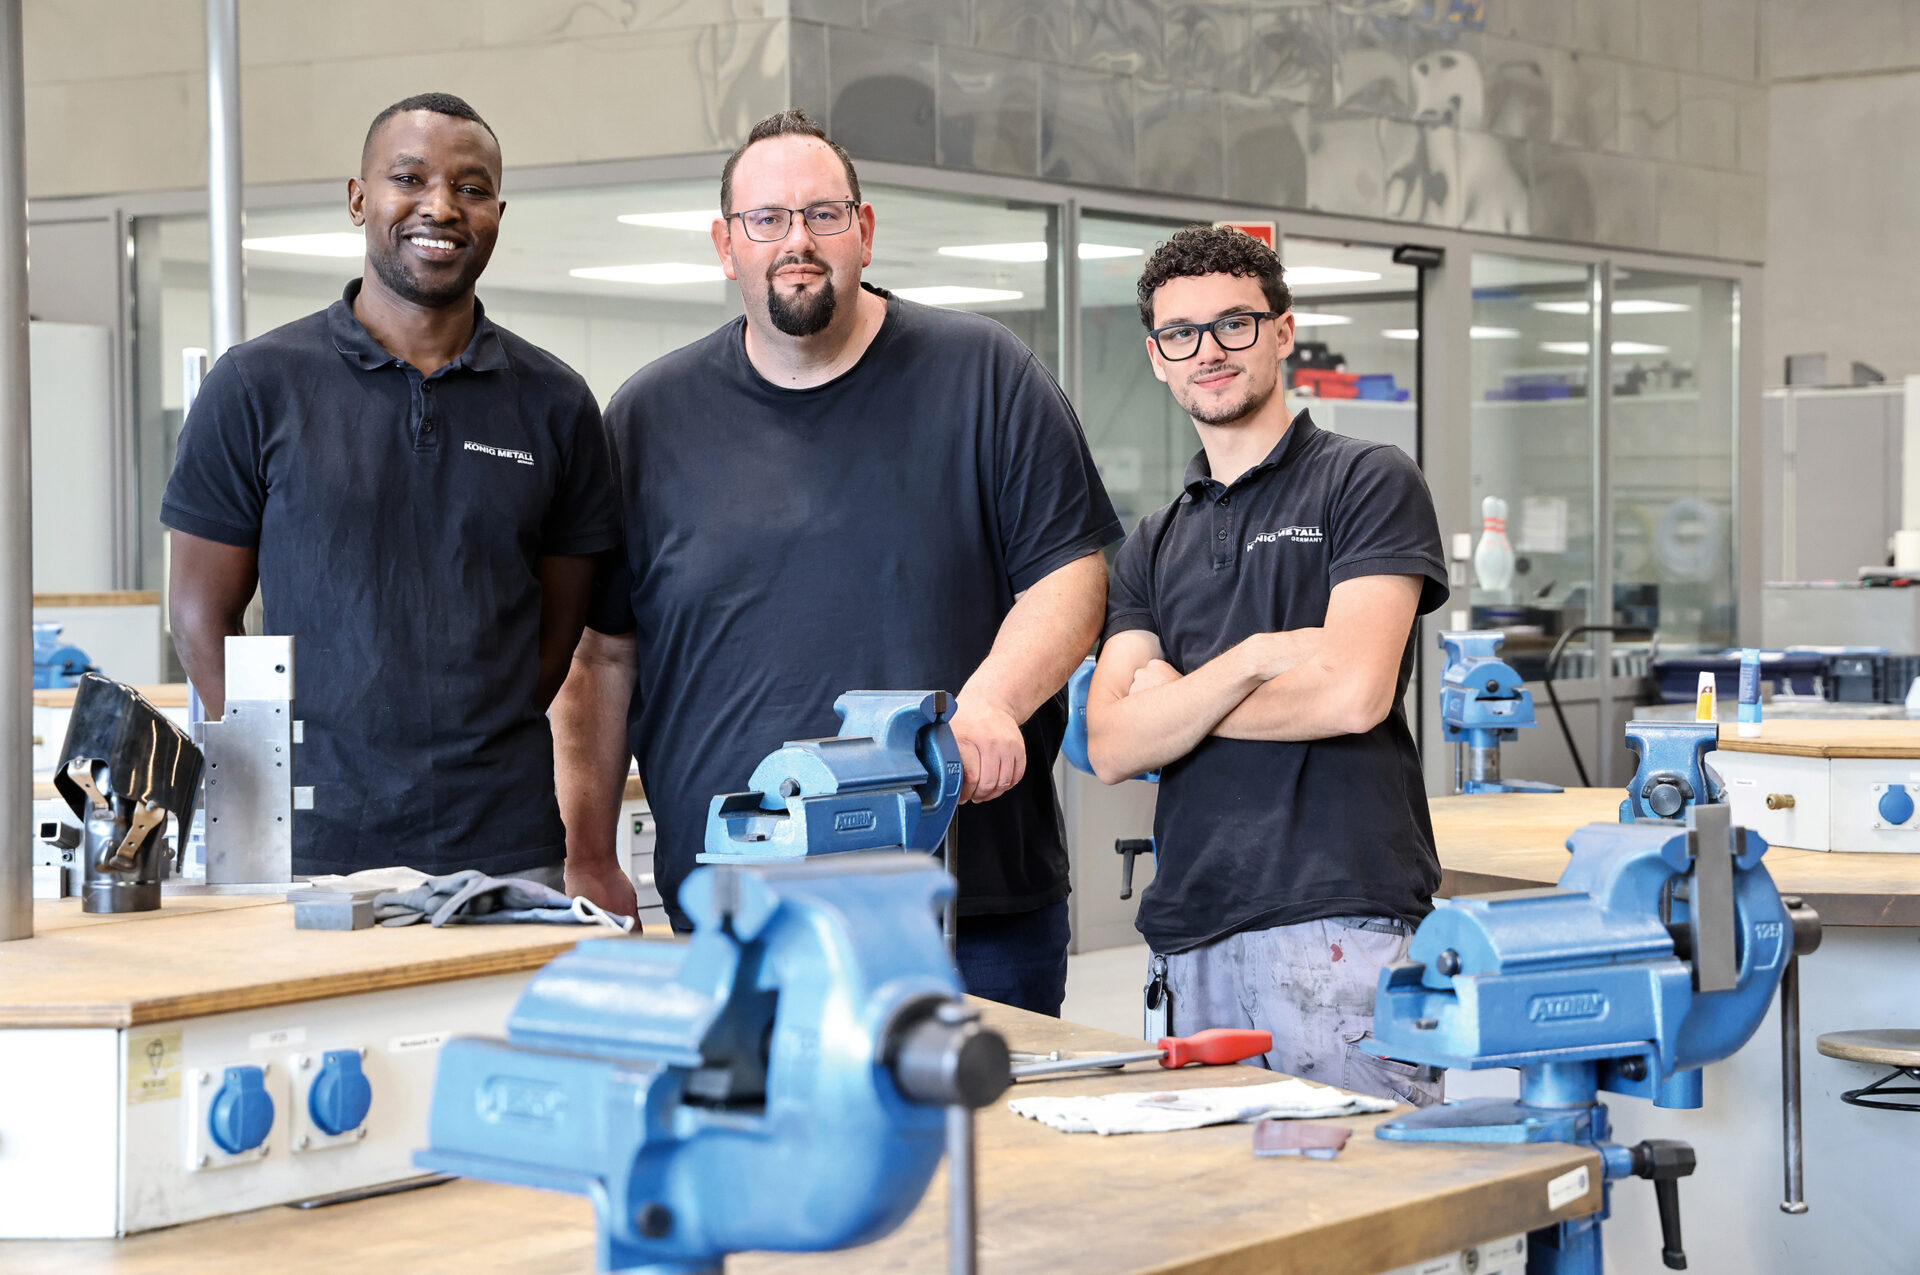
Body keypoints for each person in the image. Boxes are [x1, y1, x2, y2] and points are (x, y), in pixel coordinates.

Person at [553, 109, 1119, 1015]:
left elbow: (1070, 576)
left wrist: (992, 703)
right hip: (738, 916)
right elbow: (603, 655)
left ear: (863, 230)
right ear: (724, 244)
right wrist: (588, 849)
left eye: (822, 214)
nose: (796, 241)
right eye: (766, 219)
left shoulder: (986, 376)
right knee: (751, 1155)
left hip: (968, 915)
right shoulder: (647, 419)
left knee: (994, 1157)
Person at [163, 92, 620, 885]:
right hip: (311, 853)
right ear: (359, 198)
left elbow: (554, 639)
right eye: (408, 178)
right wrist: (283, 776)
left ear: (498, 213)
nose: (439, 206)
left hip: (505, 846)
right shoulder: (257, 386)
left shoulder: (557, 401)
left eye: (471, 189)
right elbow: (202, 616)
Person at [1084, 225, 1448, 1102]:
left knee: (1366, 1209)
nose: (1208, 351)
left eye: (1234, 324)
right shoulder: (1152, 543)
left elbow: (1355, 694)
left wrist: (1181, 703)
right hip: (1191, 929)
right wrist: (1251, 661)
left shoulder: (1367, 482)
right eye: (1182, 335)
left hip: (1340, 920)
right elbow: (1109, 742)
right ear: (1158, 358)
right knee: (1221, 1207)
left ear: (1282, 332)